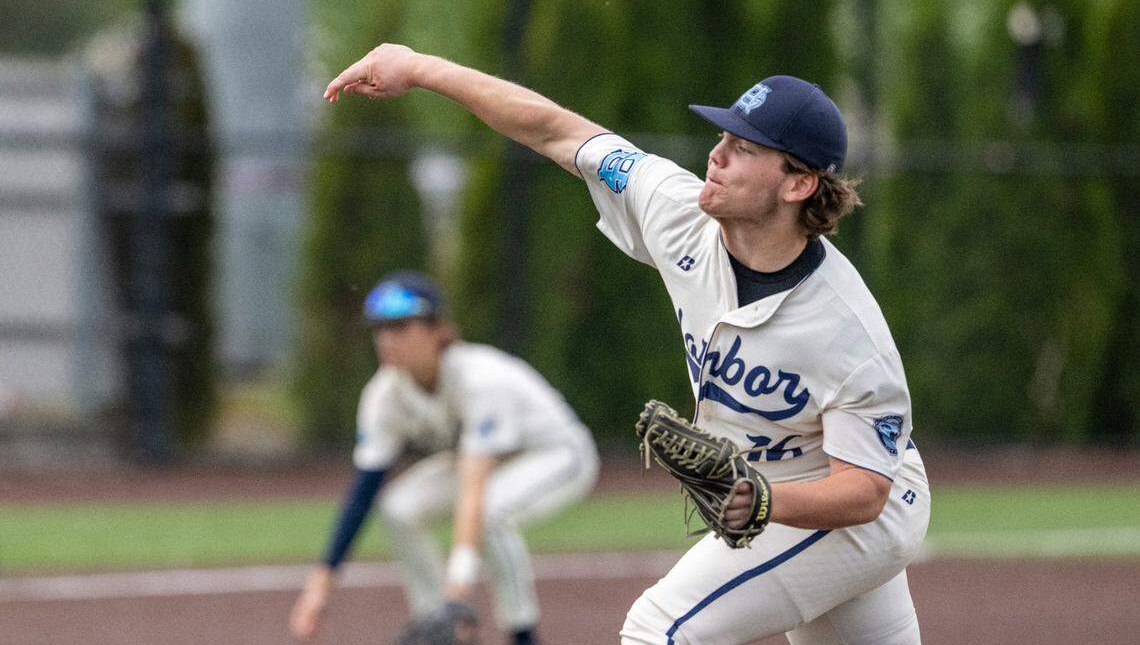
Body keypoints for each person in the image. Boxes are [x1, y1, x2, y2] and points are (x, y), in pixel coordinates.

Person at [321, 44, 931, 645]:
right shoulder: (677, 211)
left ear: (797, 184)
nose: (716, 157)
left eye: (742, 149)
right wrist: (422, 68)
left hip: (857, 508)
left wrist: (767, 499)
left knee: (658, 630)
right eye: (722, 137)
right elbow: (555, 131)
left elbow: (866, 491)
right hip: (777, 494)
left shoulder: (846, 329)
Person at [289, 271, 599, 645]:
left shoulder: (478, 378)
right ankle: (439, 624)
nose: (387, 339)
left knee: (488, 513)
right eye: (380, 329)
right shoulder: (384, 394)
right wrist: (321, 584)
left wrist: (458, 589)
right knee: (400, 509)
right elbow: (364, 490)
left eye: (401, 326)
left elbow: (473, 487)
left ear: (438, 330)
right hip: (488, 462)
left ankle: (522, 635)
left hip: (556, 454)